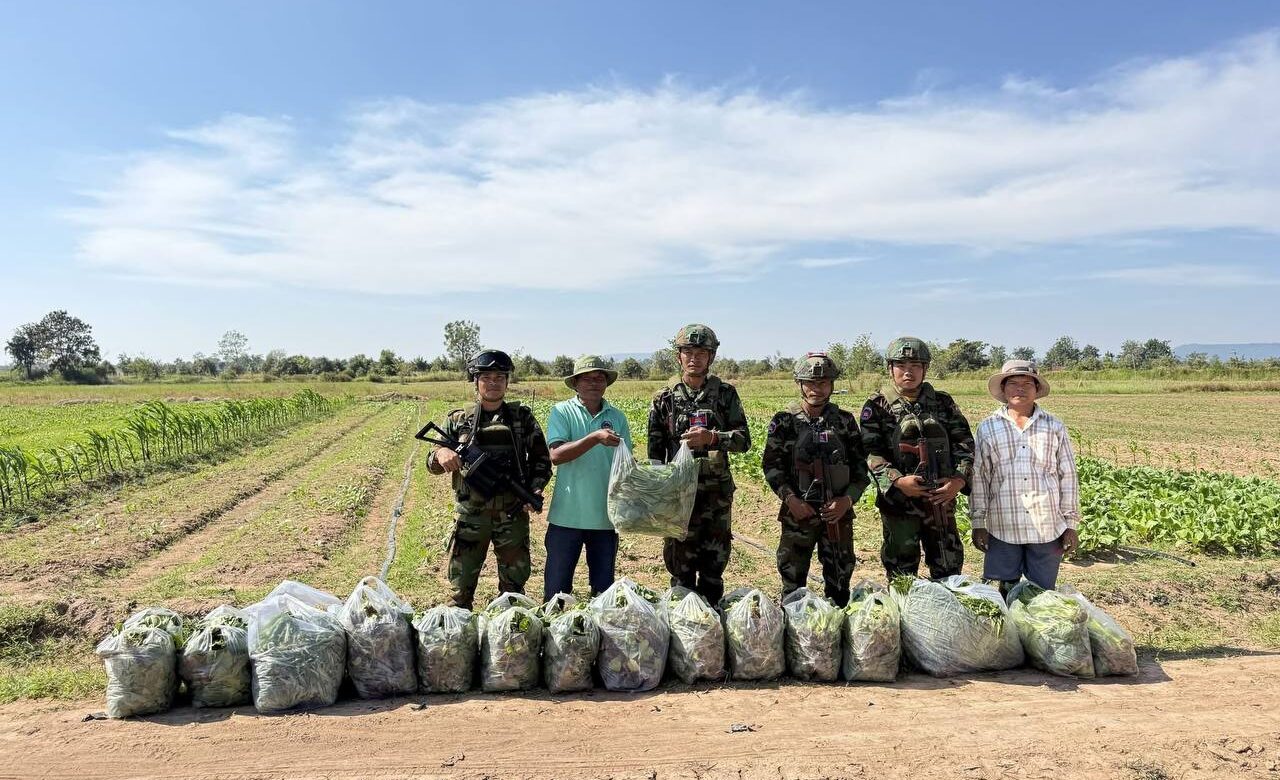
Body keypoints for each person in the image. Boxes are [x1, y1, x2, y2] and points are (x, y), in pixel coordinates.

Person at [426, 349, 552, 609]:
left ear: (507, 382)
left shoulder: (522, 418)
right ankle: (460, 628)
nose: (493, 383)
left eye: (499, 377)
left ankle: (509, 628)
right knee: (459, 592)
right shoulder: (458, 419)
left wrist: (535, 489)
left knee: (513, 593)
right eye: (486, 377)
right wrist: (441, 454)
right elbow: (431, 462)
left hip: (512, 515)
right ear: (476, 381)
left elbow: (541, 460)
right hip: (470, 517)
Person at [647, 324, 751, 605]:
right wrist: (659, 494)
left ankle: (712, 620)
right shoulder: (664, 398)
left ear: (711, 356)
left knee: (713, 569)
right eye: (688, 352)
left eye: (701, 353)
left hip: (715, 496)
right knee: (680, 568)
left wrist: (713, 438)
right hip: (679, 496)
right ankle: (683, 619)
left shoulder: (726, 394)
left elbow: (743, 440)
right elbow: (655, 453)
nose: (694, 358)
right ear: (678, 356)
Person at [860, 336, 975, 581]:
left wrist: (958, 480)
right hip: (899, 503)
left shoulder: (943, 403)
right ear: (890, 368)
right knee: (901, 571)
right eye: (901, 365)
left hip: (940, 498)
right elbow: (870, 452)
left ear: (925, 369)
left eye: (915, 366)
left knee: (948, 567)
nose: (908, 372)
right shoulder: (877, 405)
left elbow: (964, 444)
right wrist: (898, 481)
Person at [762, 353, 870, 606]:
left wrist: (847, 501)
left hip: (837, 514)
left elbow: (860, 469)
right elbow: (772, 467)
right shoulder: (784, 421)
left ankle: (837, 622)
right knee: (792, 580)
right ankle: (794, 622)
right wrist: (791, 500)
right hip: (798, 513)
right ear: (800, 384)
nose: (816, 389)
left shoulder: (844, 421)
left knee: (840, 579)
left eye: (823, 383)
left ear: (832, 385)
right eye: (810, 383)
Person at [970, 360, 1080, 593]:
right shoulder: (988, 427)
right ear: (1003, 389)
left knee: (1042, 593)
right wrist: (978, 523)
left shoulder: (1054, 426)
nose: (1020, 388)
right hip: (1003, 525)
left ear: (1036, 389)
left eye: (1027, 384)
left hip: (1047, 525)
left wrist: (1071, 524)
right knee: (1004, 591)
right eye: (1013, 383)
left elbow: (1068, 475)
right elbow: (980, 477)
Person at [543, 355, 633, 600]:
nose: (594, 383)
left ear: (606, 383)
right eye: (587, 379)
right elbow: (556, 455)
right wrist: (595, 438)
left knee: (603, 594)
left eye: (599, 378)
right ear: (575, 383)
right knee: (556, 593)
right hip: (566, 516)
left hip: (605, 517)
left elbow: (626, 464)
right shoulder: (562, 412)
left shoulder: (617, 417)